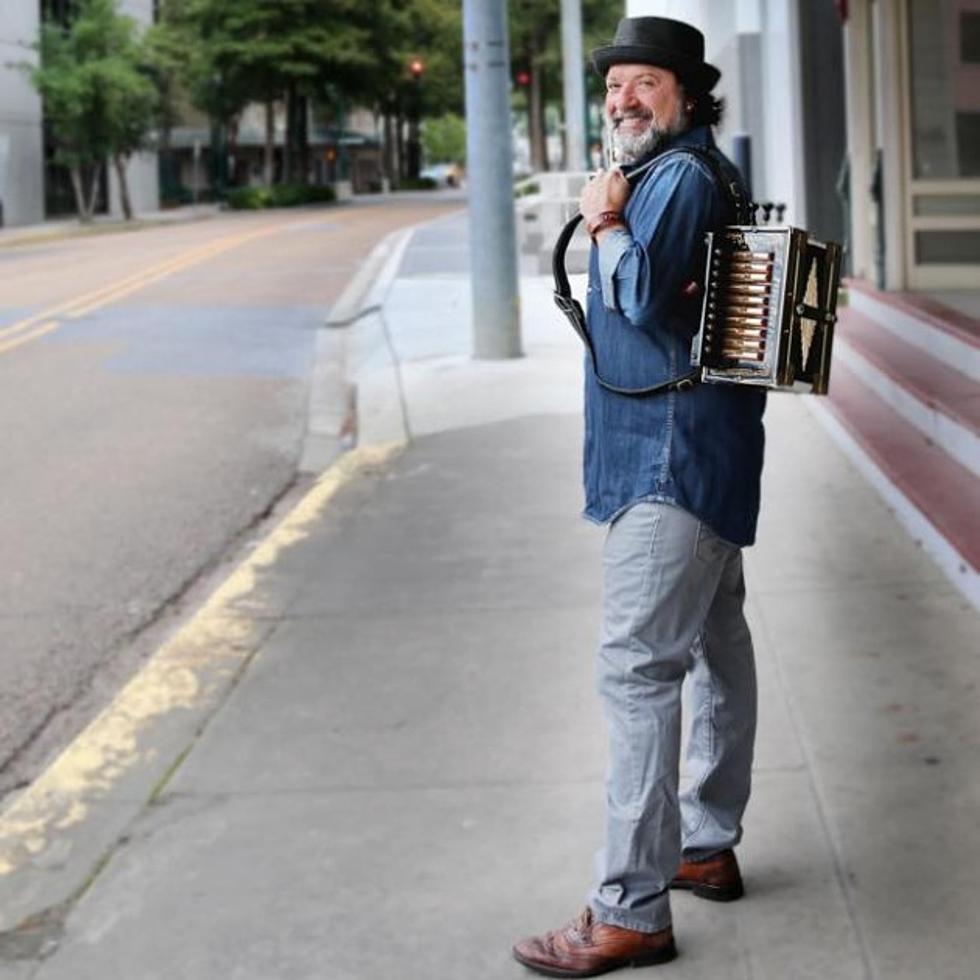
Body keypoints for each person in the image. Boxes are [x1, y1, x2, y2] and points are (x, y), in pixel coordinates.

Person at [513, 17, 766, 978]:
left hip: (669, 463)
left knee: (637, 670)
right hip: (693, 452)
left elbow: (645, 294)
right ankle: (703, 842)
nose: (623, 98)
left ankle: (629, 908)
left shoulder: (677, 180)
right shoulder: (692, 174)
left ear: (688, 95)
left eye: (644, 83)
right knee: (712, 644)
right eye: (615, 83)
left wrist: (608, 219)